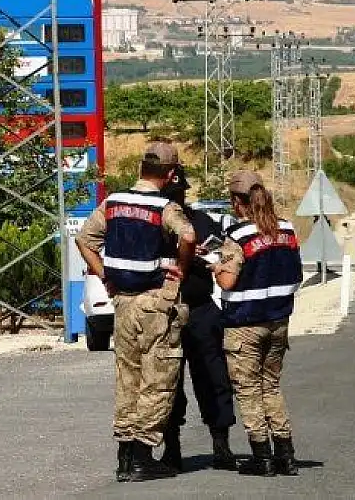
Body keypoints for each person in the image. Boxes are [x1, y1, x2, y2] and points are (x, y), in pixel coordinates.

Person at [75, 142, 197, 482]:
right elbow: (188, 235)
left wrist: (105, 276)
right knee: (157, 380)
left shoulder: (112, 202)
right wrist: (182, 269)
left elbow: (84, 241)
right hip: (155, 303)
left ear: (141, 169)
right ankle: (144, 456)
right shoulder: (164, 206)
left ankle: (125, 457)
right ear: (171, 175)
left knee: (127, 378)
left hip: (123, 304)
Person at [209, 170, 304, 476]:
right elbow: (296, 275)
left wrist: (214, 266)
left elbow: (227, 281)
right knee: (272, 387)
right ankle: (285, 454)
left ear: (238, 203)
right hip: (278, 321)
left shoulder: (238, 236)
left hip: (244, 325)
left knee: (249, 390)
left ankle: (261, 456)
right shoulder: (288, 231)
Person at [157, 165, 238, 472]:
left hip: (202, 308)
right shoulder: (155, 226)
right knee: (168, 384)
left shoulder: (201, 221)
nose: (176, 200)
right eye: (171, 195)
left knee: (214, 379)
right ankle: (172, 449)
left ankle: (222, 447)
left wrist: (209, 256)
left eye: (179, 195)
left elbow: (227, 254)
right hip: (166, 312)